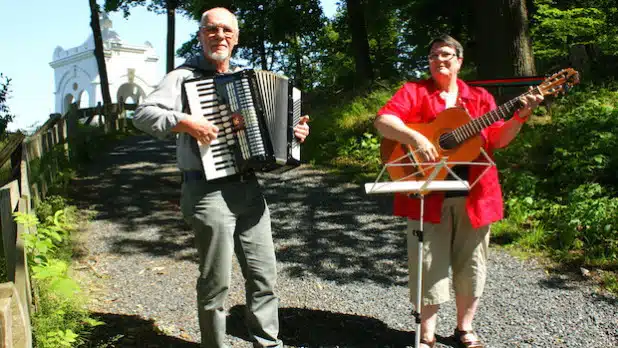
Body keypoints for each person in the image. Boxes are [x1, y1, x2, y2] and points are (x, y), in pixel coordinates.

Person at [132, 7, 310, 348]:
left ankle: (267, 342)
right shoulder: (183, 77)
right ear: (201, 35)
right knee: (217, 281)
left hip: (247, 188)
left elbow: (273, 133)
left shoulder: (247, 77)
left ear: (236, 37)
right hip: (205, 191)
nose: (220, 36)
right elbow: (143, 114)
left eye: (227, 30)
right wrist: (187, 122)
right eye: (212, 30)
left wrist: (294, 134)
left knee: (264, 275)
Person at [373, 35, 543, 348]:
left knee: (472, 265)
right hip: (427, 194)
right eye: (434, 55)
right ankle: (426, 335)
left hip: (476, 193)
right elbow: (384, 121)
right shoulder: (414, 92)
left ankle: (465, 329)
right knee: (428, 265)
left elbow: (498, 139)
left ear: (459, 61)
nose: (440, 60)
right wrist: (418, 139)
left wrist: (521, 115)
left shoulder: (478, 98)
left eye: (447, 55)